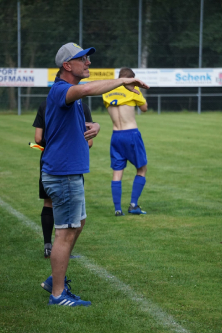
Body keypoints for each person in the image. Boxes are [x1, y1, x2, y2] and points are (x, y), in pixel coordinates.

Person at [41, 42, 150, 307]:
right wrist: (125, 80)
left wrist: (96, 125)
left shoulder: (72, 96)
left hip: (70, 172)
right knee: (65, 233)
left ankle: (54, 279)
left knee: (77, 225)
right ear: (67, 66)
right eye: (83, 59)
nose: (88, 63)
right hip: (63, 172)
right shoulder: (62, 89)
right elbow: (88, 89)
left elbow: (79, 125)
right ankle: (57, 295)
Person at [33, 100, 93, 258]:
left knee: (48, 202)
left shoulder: (45, 105)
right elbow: (90, 142)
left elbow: (38, 139)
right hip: (72, 163)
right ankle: (64, 251)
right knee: (73, 214)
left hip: (48, 160)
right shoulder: (82, 106)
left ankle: (47, 246)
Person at [102, 67, 148, 216]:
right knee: (142, 169)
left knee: (117, 171)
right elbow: (144, 109)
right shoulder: (134, 91)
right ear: (132, 79)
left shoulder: (107, 92)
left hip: (116, 135)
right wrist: (136, 91)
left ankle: (117, 209)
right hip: (131, 134)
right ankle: (133, 205)